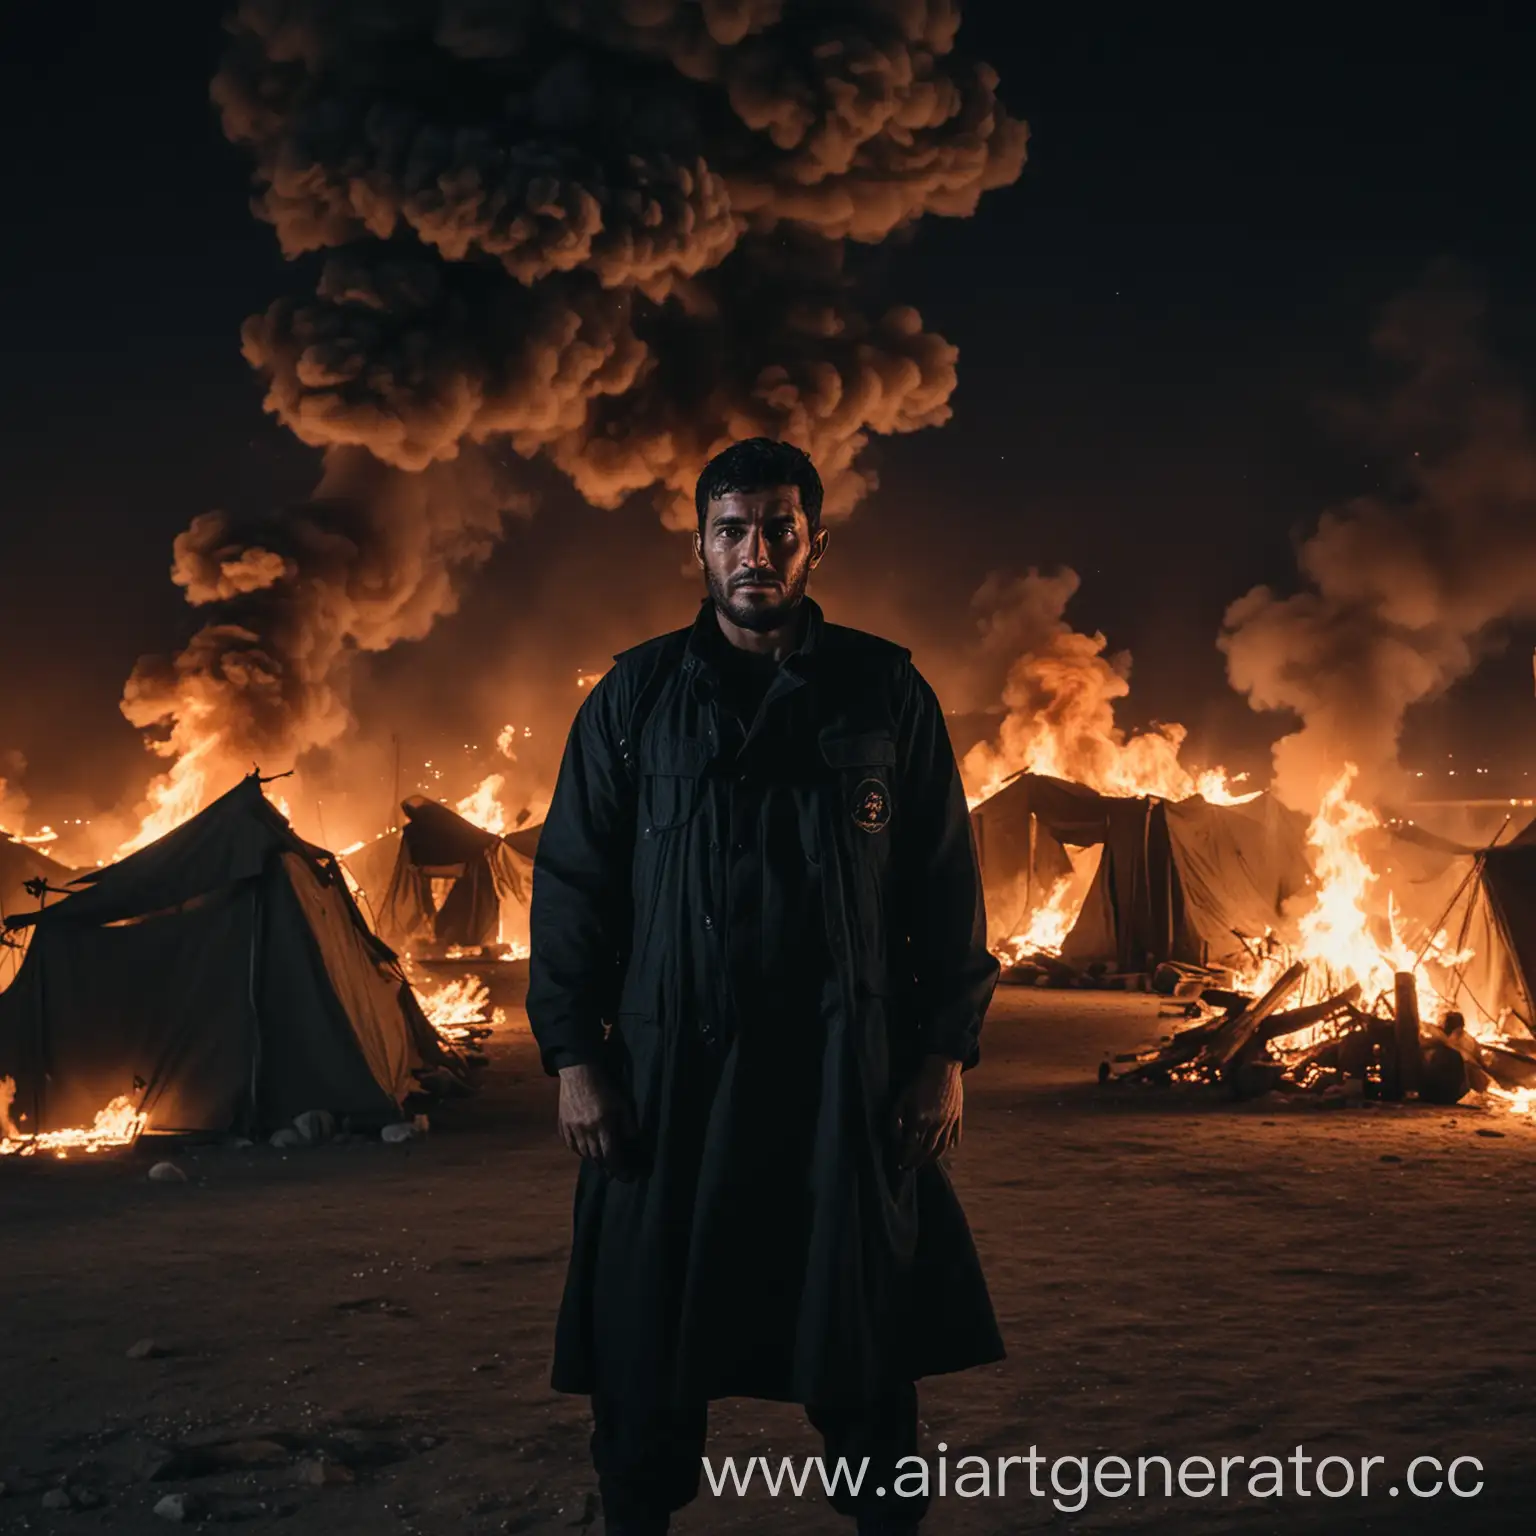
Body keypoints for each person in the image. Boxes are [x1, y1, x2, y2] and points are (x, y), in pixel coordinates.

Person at [528, 438, 1003, 1535]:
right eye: (732, 531)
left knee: (863, 1358)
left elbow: (944, 890)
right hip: (666, 1089)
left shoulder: (885, 691)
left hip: (842, 1084)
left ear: (815, 542)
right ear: (699, 547)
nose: (756, 552)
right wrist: (576, 1059)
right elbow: (573, 892)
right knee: (647, 1370)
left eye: (779, 529)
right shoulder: (634, 700)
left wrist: (942, 1058)